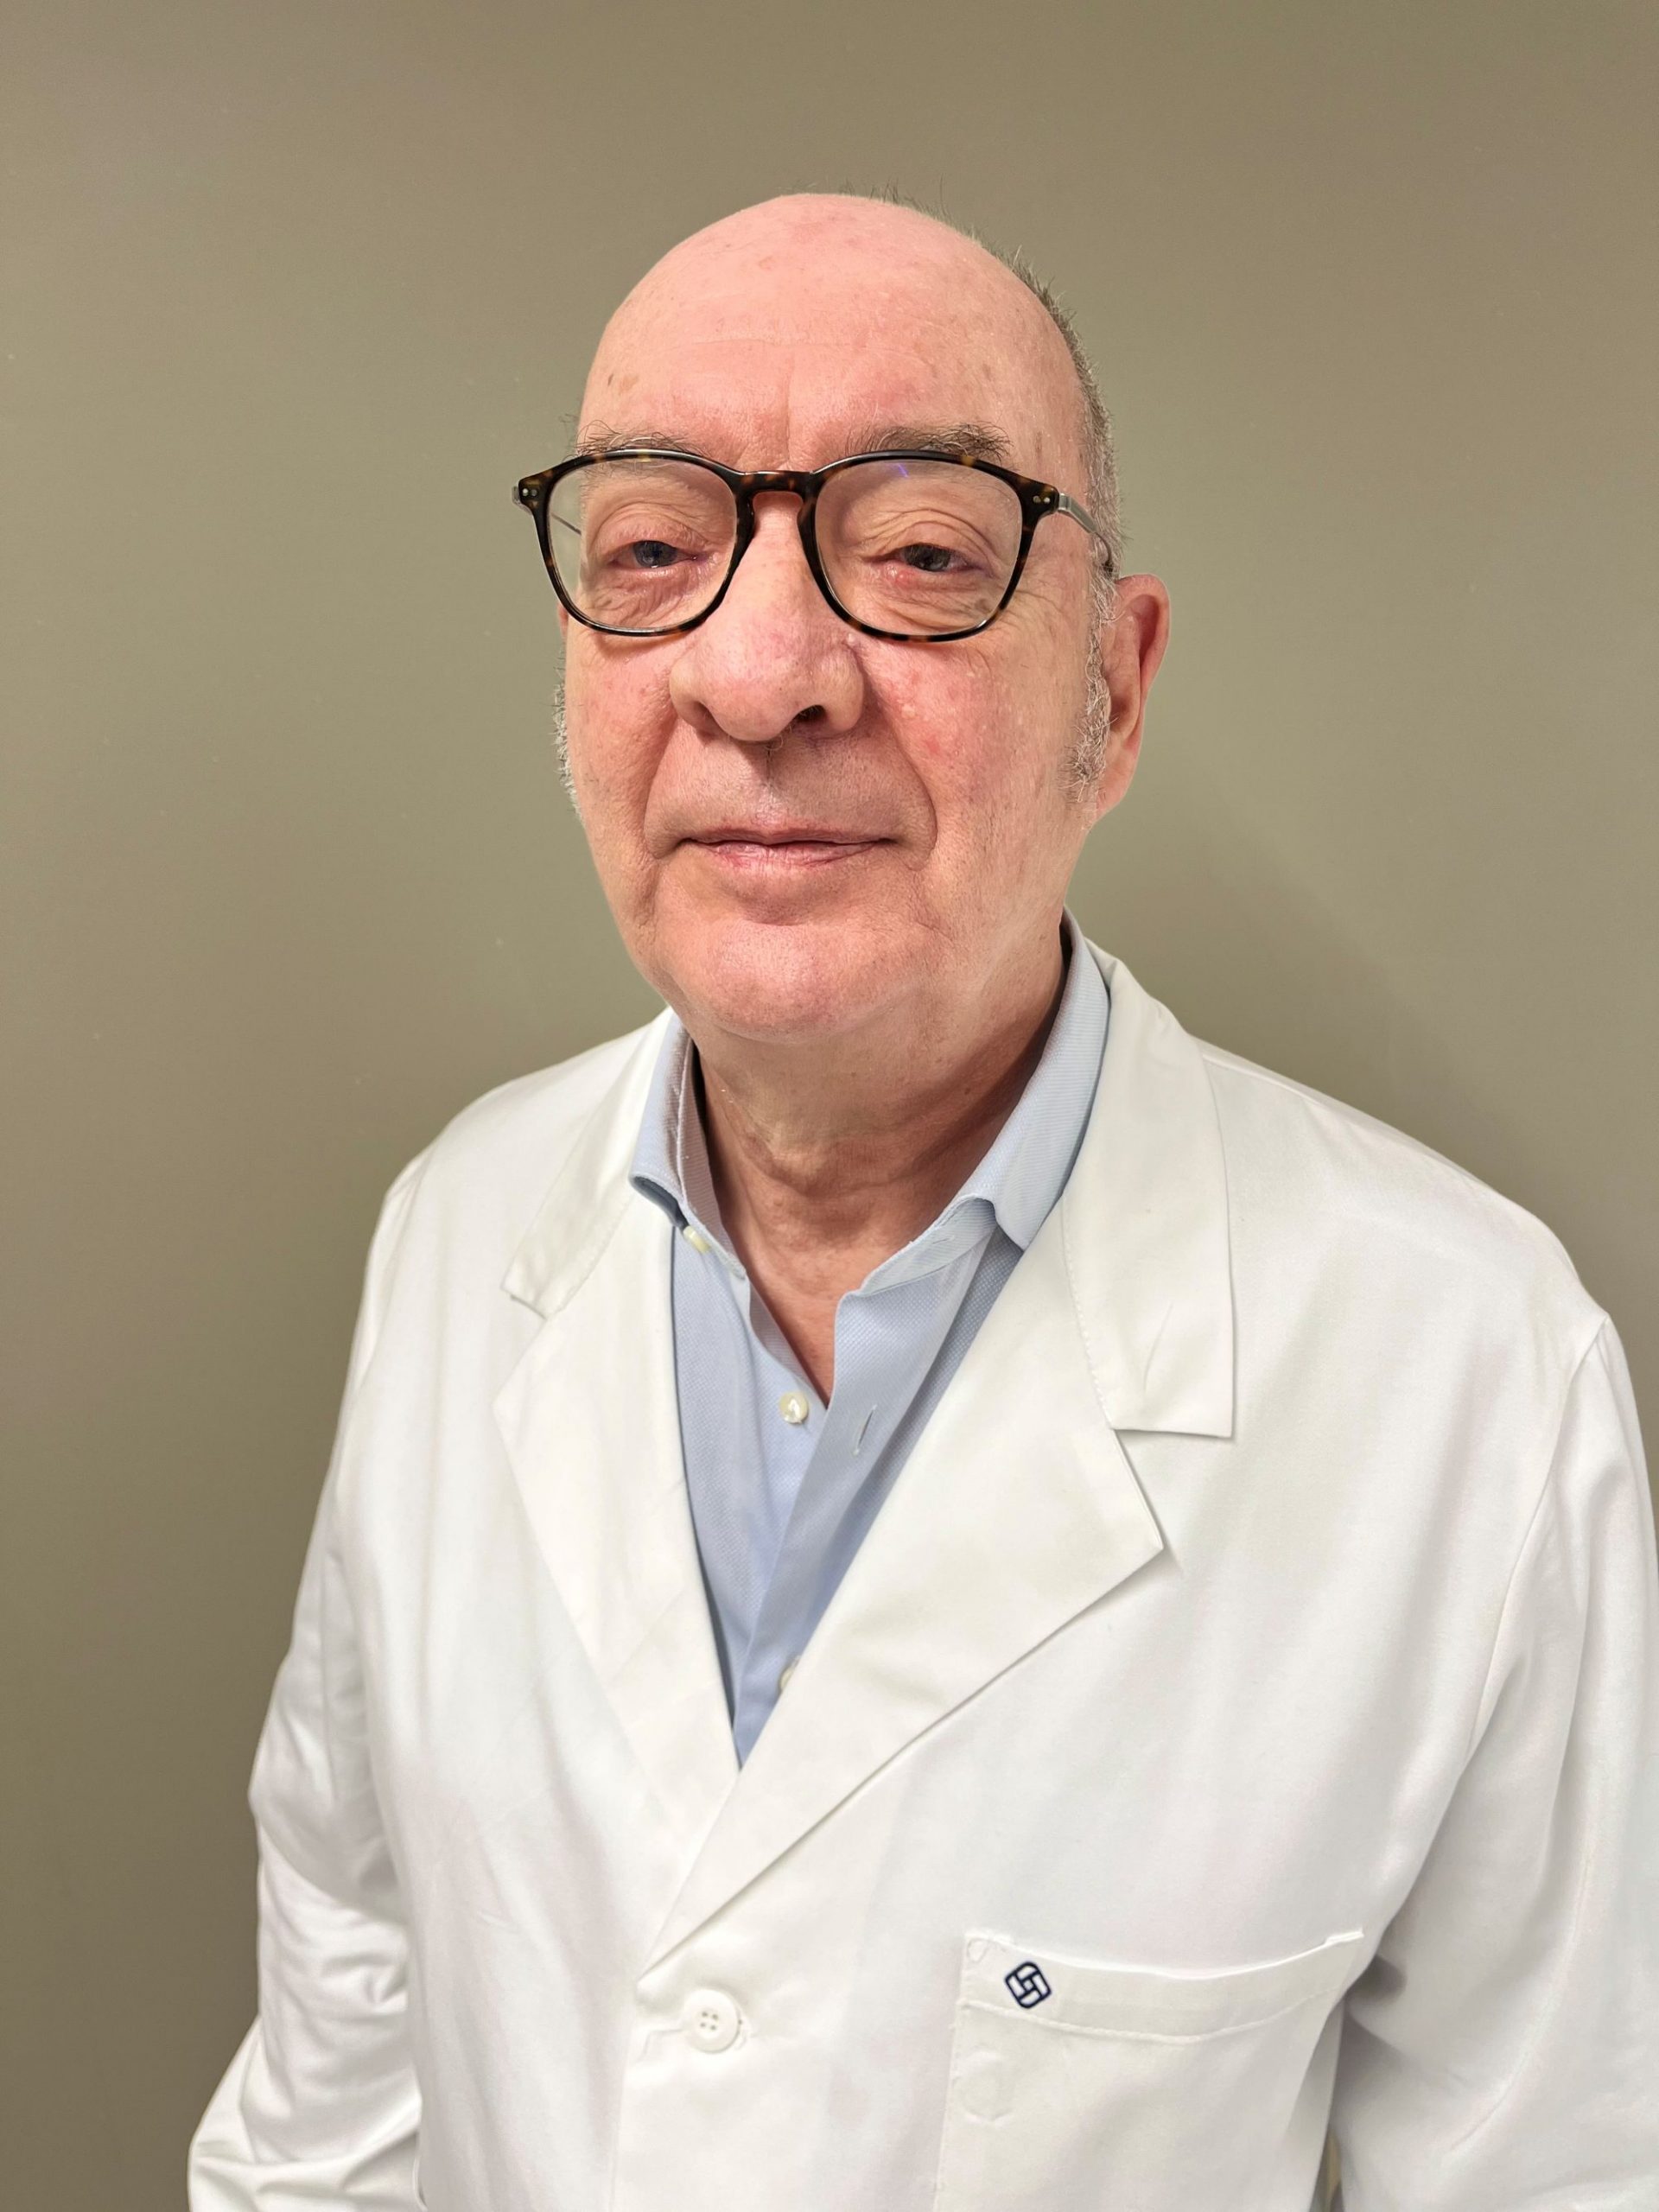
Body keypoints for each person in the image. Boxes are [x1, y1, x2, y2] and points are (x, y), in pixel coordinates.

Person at [188, 194, 1659, 2212]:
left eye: (923, 554)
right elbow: (336, 2083)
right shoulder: (457, 1231)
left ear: (1115, 690)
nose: (759, 672)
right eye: (653, 551)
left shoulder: (1469, 1373)